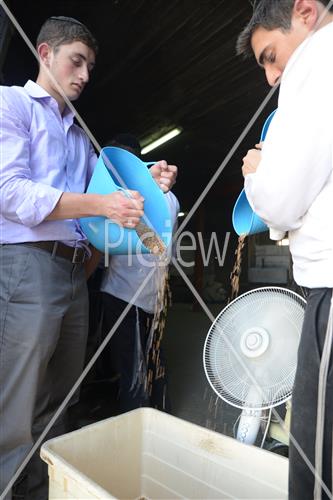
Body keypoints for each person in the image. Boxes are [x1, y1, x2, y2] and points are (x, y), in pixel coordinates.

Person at [0, 16, 177, 500]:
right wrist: (102, 204)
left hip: (75, 270)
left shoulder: (80, 138)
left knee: (62, 398)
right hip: (26, 262)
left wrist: (146, 182)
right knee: (19, 402)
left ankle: (43, 490)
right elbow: (10, 192)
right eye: (76, 61)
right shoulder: (11, 104)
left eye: (90, 67)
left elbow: (98, 209)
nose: (83, 75)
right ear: (44, 53)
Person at [237, 1, 333, 498]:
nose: (273, 76)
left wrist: (257, 171)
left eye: (271, 56)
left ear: (305, 12)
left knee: (317, 459)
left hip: (330, 290)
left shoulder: (318, 63)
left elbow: (279, 202)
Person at [98, 133, 180, 413]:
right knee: (152, 357)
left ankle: (137, 422)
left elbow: (104, 240)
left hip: (125, 293)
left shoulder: (125, 198)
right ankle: (162, 413)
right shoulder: (170, 197)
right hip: (152, 296)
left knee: (132, 366)